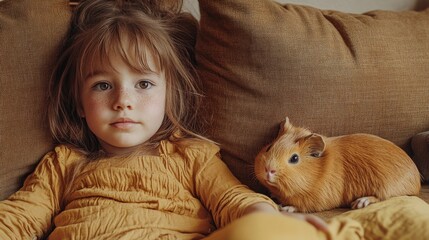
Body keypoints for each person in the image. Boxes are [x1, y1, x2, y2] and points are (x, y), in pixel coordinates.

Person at [0, 0, 358, 239]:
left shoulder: (192, 154)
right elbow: (20, 217)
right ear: (80, 103)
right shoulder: (64, 163)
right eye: (103, 84)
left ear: (169, 95)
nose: (124, 101)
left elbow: (232, 199)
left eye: (143, 83)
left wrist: (270, 218)